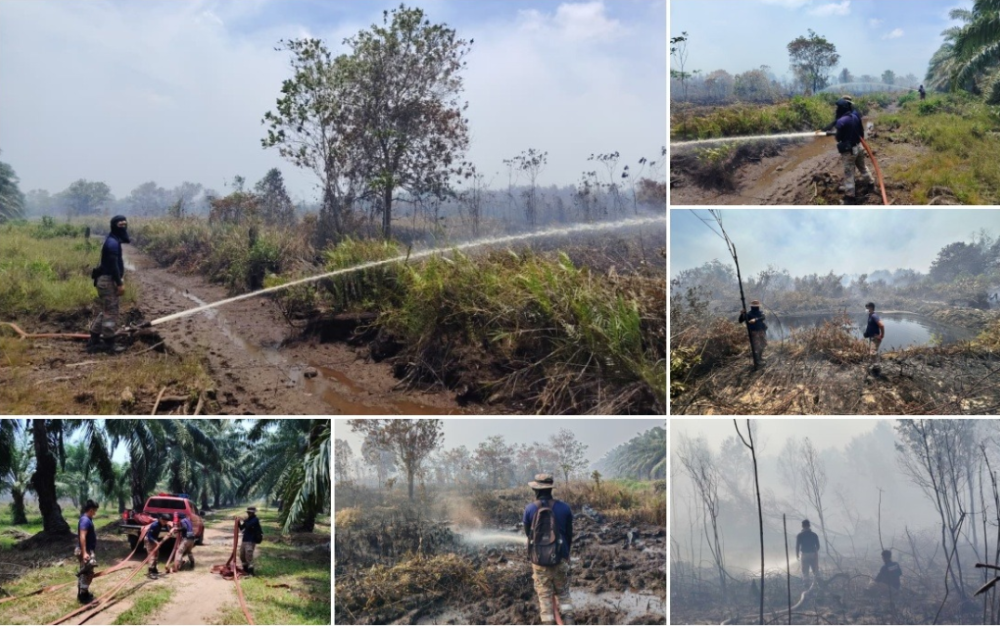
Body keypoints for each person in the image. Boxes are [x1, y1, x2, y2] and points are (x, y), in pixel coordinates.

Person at [523, 473, 575, 626]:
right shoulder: (564, 508)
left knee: (545, 598)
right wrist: (566, 554)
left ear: (536, 490)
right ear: (551, 489)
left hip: (539, 562)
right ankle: (569, 621)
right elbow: (569, 535)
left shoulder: (529, 509)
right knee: (564, 594)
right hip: (560, 558)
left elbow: (529, 535)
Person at [87, 215, 130, 354]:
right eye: (120, 225)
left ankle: (94, 337)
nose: (123, 227)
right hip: (108, 281)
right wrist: (119, 283)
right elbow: (113, 265)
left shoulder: (113, 240)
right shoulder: (112, 243)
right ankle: (109, 343)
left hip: (105, 280)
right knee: (111, 312)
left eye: (125, 224)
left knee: (107, 310)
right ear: (113, 226)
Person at [822, 96, 874, 204]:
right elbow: (860, 133)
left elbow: (838, 138)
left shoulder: (841, 121)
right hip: (859, 147)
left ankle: (850, 197)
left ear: (841, 109)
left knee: (849, 172)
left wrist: (834, 133)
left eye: (837, 108)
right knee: (862, 167)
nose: (836, 109)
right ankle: (871, 182)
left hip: (849, 151)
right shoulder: (855, 116)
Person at [76, 500, 100, 604]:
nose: (95, 513)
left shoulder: (87, 519)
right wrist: (85, 552)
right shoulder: (85, 520)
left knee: (85, 572)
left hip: (87, 550)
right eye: (94, 511)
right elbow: (82, 536)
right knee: (87, 573)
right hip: (85, 551)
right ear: (91, 510)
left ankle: (83, 592)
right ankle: (83, 597)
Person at [238, 506, 263, 576]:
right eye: (248, 512)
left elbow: (248, 525)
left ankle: (251, 573)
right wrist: (238, 522)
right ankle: (245, 570)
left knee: (248, 556)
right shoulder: (247, 520)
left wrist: (243, 520)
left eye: (250, 513)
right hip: (245, 540)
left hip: (251, 540)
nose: (249, 514)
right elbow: (241, 527)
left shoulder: (255, 520)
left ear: (253, 513)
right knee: (242, 556)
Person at [796, 519, 821, 585]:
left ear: (802, 526)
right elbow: (818, 546)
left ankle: (806, 584)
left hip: (804, 554)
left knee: (805, 571)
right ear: (809, 526)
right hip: (813, 554)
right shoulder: (814, 535)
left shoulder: (800, 535)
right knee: (815, 570)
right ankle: (818, 583)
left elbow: (797, 546)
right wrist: (815, 551)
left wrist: (797, 555)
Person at [864, 302, 885, 373]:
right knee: (872, 352)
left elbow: (881, 325)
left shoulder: (874, 316)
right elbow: (870, 326)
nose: (866, 309)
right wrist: (867, 333)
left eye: (867, 308)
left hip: (875, 338)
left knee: (872, 353)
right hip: (872, 337)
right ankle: (873, 366)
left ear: (871, 308)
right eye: (866, 308)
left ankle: (877, 369)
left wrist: (882, 335)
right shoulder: (870, 316)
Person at [145, 514, 168, 578]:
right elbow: (149, 536)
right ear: (160, 519)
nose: (164, 523)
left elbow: (167, 527)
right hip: (149, 540)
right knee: (152, 556)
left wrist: (170, 531)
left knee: (156, 555)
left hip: (155, 540)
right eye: (164, 521)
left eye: (166, 522)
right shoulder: (154, 525)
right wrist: (156, 542)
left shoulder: (162, 523)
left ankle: (154, 570)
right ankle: (150, 572)